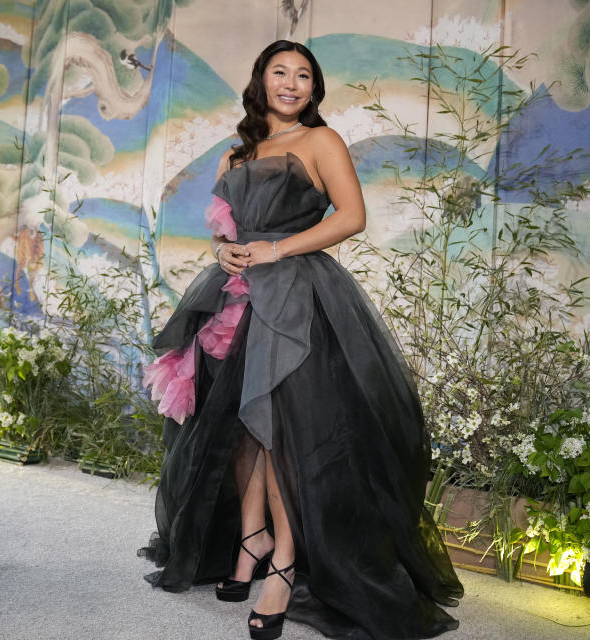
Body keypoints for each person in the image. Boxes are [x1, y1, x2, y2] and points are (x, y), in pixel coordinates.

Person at [140, 40, 463, 640]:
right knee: (239, 424)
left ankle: (284, 565)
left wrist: (276, 249)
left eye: (303, 75)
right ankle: (250, 538)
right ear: (259, 80)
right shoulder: (236, 153)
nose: (291, 83)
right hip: (234, 297)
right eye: (279, 72)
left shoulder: (322, 142)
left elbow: (351, 216)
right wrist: (224, 251)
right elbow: (224, 228)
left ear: (314, 88)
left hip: (296, 295)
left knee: (285, 433)